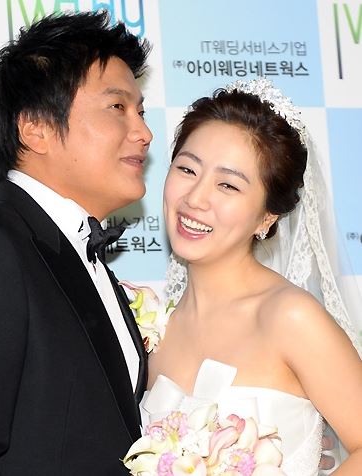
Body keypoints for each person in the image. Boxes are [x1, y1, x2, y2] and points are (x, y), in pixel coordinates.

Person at [0, 11, 152, 475]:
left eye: (141, 112)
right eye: (117, 108)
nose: (143, 133)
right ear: (34, 128)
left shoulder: (90, 262)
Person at [140, 79, 362, 475]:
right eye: (187, 169)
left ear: (267, 217)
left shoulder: (290, 317)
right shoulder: (153, 329)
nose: (195, 198)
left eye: (228, 185)